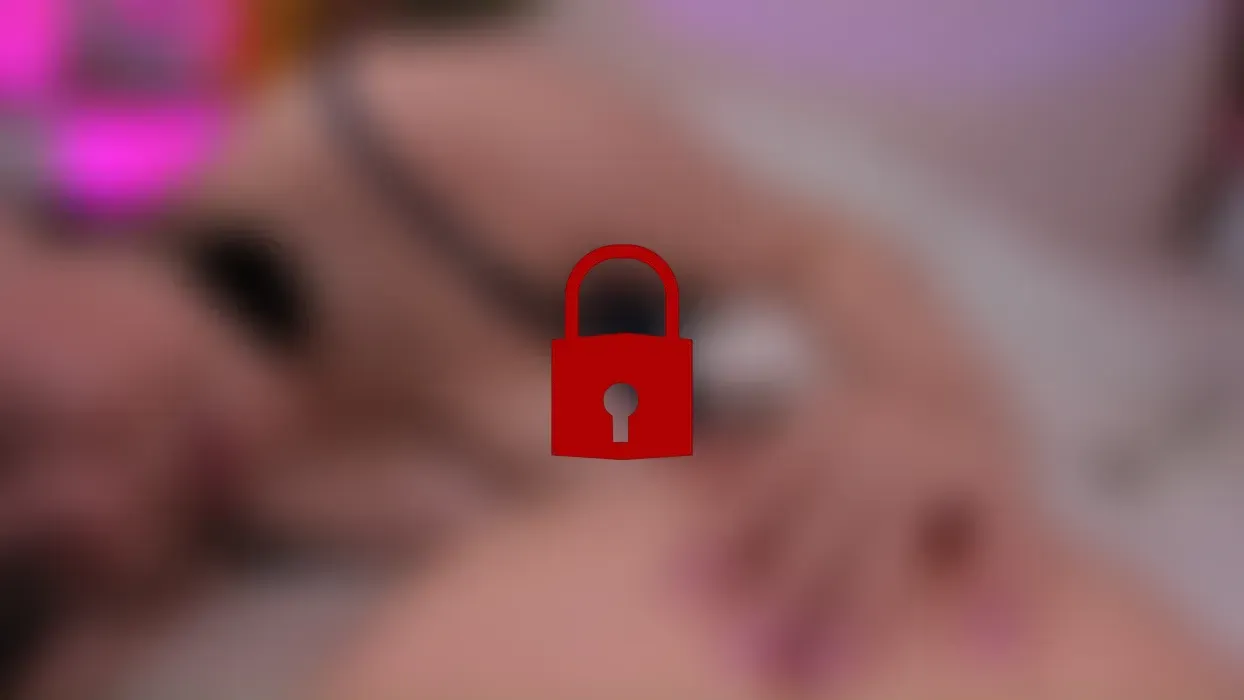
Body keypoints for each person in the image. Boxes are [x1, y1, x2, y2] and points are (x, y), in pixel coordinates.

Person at [2, 29, 1030, 697]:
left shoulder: (413, 141)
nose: (102, 512)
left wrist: (925, 408)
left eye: (13, 429)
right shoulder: (156, 554)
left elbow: (816, 255)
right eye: (31, 570)